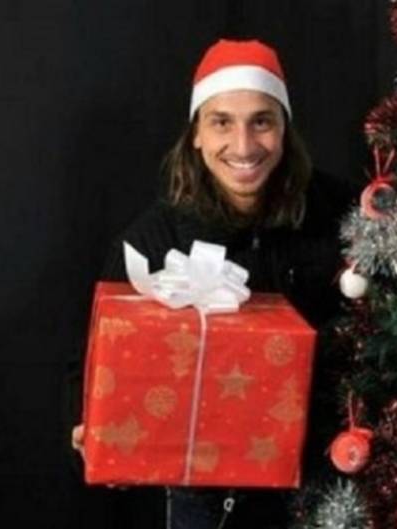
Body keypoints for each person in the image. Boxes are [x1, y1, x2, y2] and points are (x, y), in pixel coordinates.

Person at [67, 38, 352, 529]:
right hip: (208, 496)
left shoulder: (342, 215)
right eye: (222, 122)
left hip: (331, 480)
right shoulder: (151, 242)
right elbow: (96, 361)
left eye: (261, 121)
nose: (243, 146)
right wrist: (91, 426)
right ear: (196, 133)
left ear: (284, 128)